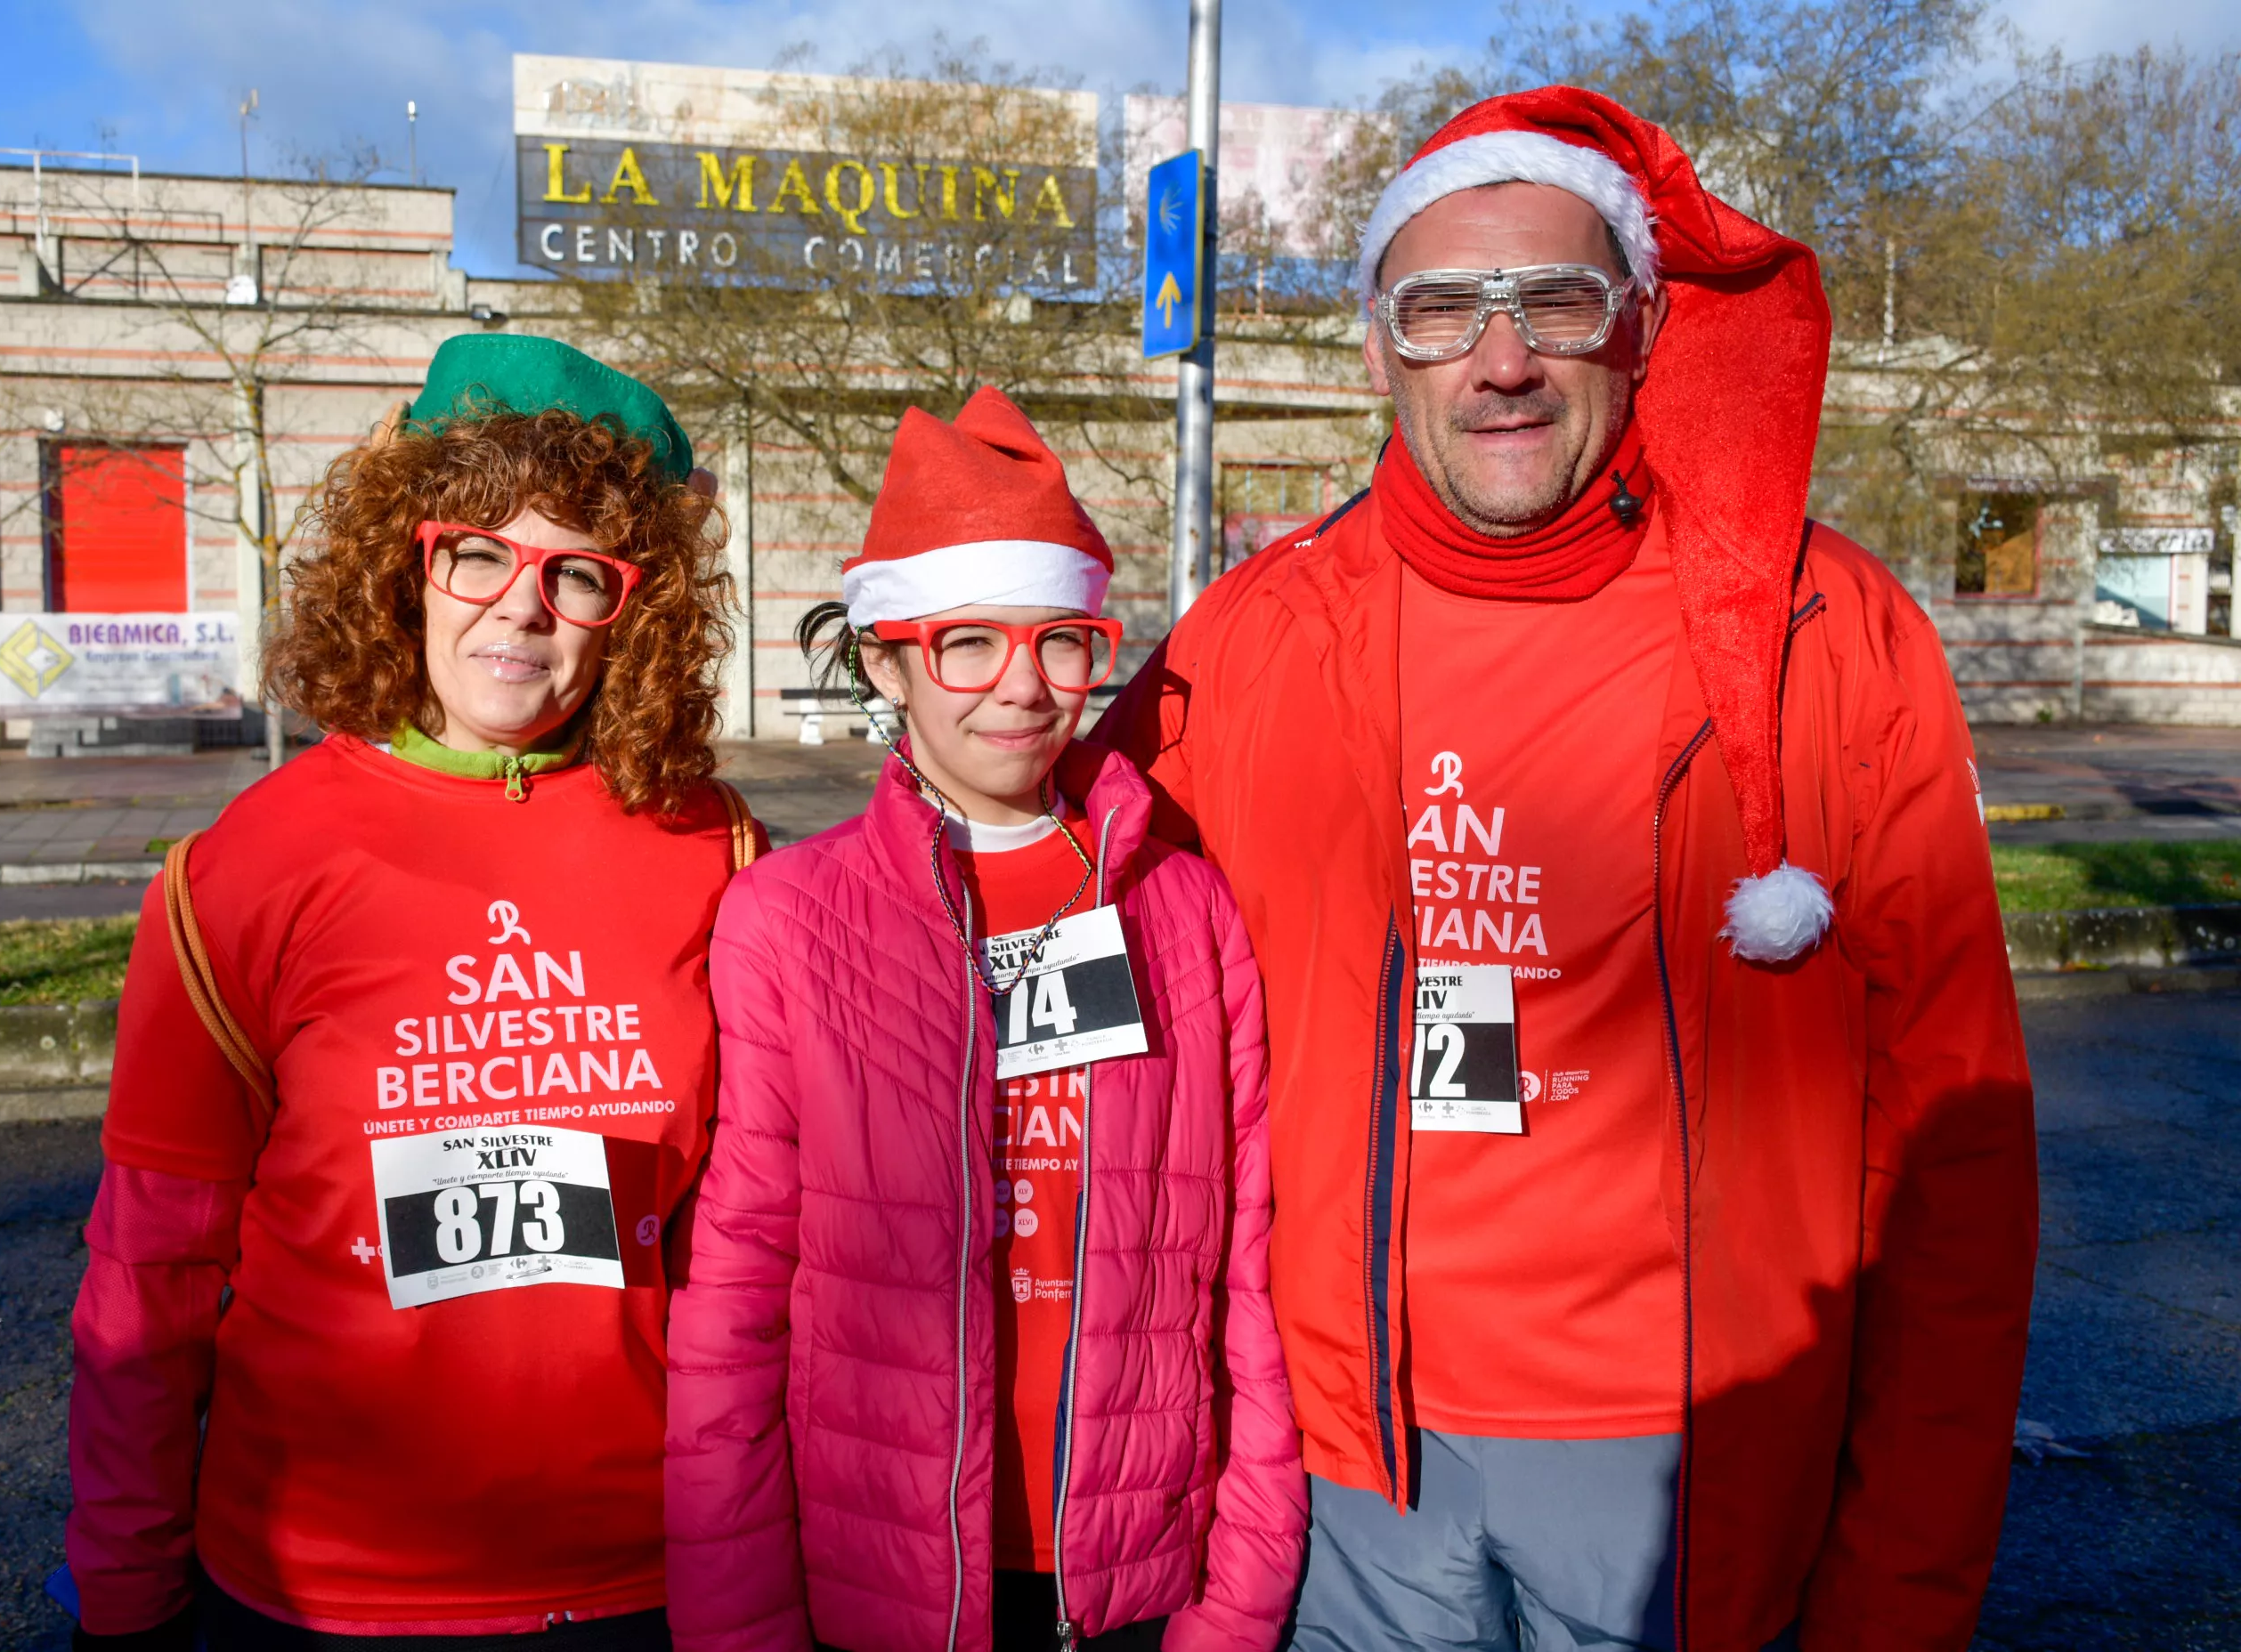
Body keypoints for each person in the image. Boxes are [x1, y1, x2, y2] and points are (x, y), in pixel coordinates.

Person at [1096, 88, 2038, 1652]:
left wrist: (1902, 1591)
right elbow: (1031, 908)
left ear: (1642, 330)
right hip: (1349, 1470)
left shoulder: (1834, 633)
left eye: (1557, 298)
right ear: (1379, 348)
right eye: (1443, 306)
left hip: (1691, 1465)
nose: (1504, 356)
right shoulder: (1251, 640)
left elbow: (1958, 1154)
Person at [64, 334, 759, 1650]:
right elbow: (149, 1271)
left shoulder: (714, 850)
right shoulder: (246, 868)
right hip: (329, 1589)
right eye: (479, 552)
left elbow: (763, 1227)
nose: (522, 607)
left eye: (582, 575)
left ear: (640, 609)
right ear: (409, 562)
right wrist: (123, 1589)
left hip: (654, 1574)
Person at [663, 388, 1306, 1652]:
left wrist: (1234, 1605)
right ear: (888, 658)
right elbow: (737, 1295)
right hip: (882, 1576)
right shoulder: (787, 921)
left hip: (1131, 1572)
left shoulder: (1185, 908)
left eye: (1060, 641)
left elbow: (1247, 1271)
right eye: (967, 642)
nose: (1021, 689)